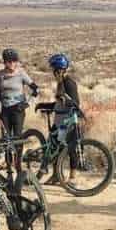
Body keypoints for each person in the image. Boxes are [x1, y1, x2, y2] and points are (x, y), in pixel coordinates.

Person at [37, 53, 81, 183]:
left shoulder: (69, 83)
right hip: (59, 120)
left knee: (70, 147)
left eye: (54, 71)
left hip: (68, 121)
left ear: (59, 70)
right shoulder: (60, 83)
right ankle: (56, 175)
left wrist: (64, 100)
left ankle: (73, 176)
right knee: (54, 147)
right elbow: (58, 103)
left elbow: (75, 103)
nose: (53, 73)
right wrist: (43, 105)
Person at [0, 48, 38, 171]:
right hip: (5, 110)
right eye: (9, 61)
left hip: (18, 109)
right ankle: (9, 164)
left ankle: (18, 164)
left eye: (14, 61)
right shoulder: (0, 74)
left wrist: (27, 103)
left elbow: (36, 89)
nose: (12, 64)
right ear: (5, 62)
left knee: (18, 138)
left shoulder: (21, 73)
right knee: (6, 139)